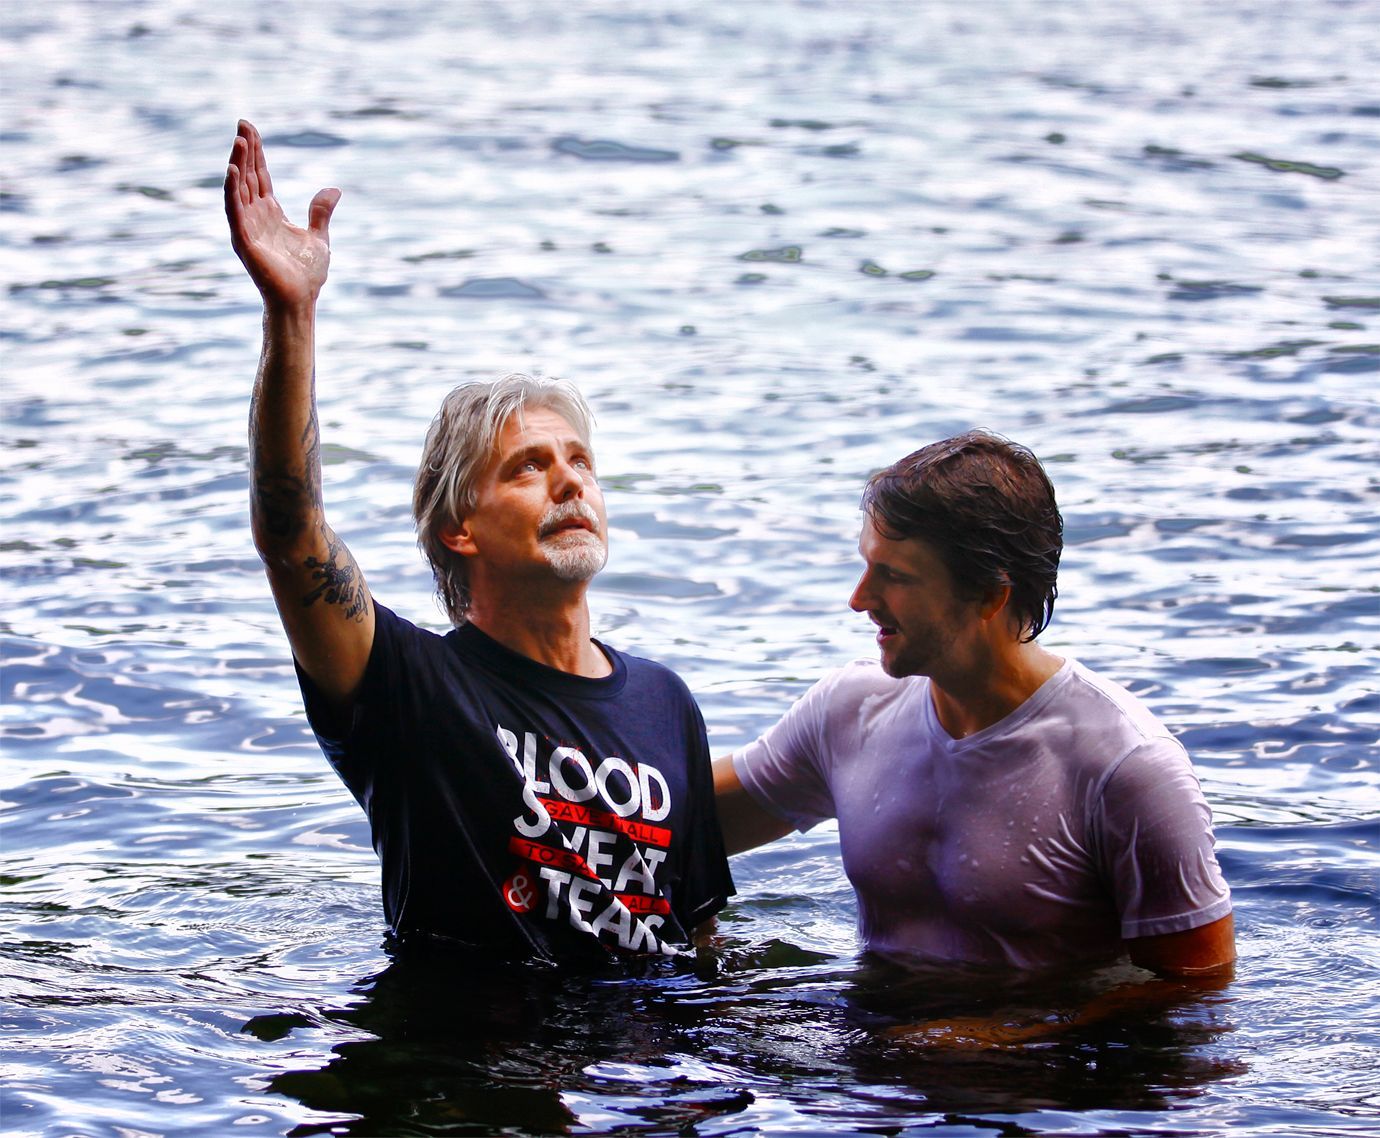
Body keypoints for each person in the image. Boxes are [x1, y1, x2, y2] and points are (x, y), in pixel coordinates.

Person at [224, 119, 731, 964]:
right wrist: (291, 315)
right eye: (529, 469)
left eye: (581, 463)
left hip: (635, 1079)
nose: (571, 482)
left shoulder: (666, 706)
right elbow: (290, 533)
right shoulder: (410, 690)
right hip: (469, 1073)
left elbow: (702, 938)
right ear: (458, 527)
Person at [714, 431, 1234, 1032]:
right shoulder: (851, 710)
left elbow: (1199, 988)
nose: (860, 599)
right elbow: (679, 819)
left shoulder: (1126, 766)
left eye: (895, 577)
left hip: (1046, 1095)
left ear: (990, 593)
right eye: (865, 567)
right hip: (876, 1061)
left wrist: (1005, 1039)